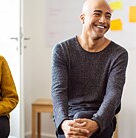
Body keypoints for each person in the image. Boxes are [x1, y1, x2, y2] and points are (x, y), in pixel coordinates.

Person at [51, 0, 128, 137]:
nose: (103, 20)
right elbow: (58, 91)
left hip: (102, 118)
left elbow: (113, 95)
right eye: (97, 14)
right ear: (83, 18)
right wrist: (63, 123)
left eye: (108, 16)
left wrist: (97, 122)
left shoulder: (118, 54)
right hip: (69, 118)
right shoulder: (62, 50)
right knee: (76, 124)